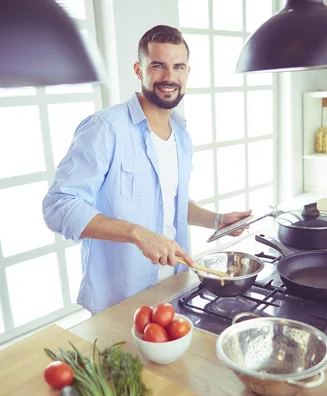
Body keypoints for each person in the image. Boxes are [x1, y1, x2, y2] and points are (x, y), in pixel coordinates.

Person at [42, 25, 251, 315]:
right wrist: (137, 233)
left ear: (187, 72)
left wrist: (217, 220)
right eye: (158, 66)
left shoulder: (181, 134)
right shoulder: (105, 128)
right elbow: (58, 206)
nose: (169, 77)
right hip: (120, 299)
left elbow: (170, 203)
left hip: (175, 289)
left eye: (178, 66)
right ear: (139, 70)